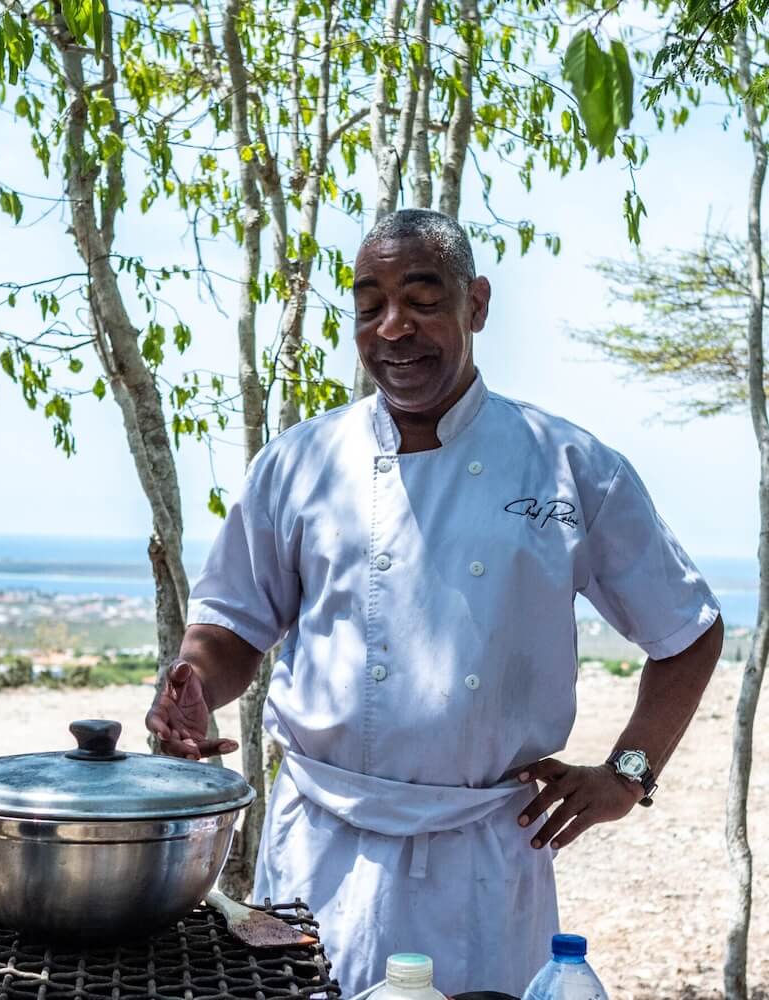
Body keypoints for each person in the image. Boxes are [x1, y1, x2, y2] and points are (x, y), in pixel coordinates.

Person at [146, 209, 724, 998]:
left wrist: (627, 774)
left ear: (476, 305)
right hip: (320, 845)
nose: (394, 327)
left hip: (484, 858)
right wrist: (194, 685)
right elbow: (234, 626)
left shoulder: (569, 467)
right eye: (369, 304)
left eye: (422, 297)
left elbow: (687, 630)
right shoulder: (302, 462)